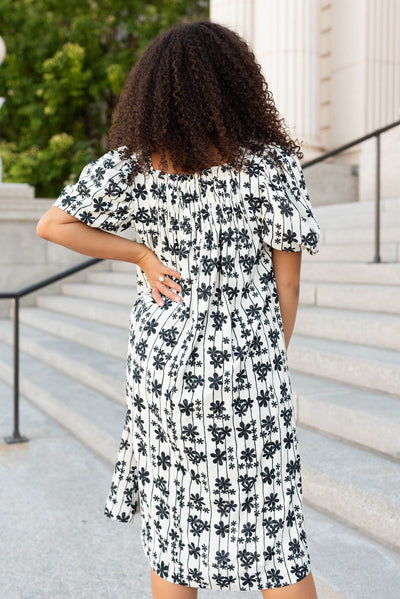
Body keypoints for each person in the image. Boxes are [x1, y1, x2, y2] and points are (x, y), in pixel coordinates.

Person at [37, 19, 320, 599]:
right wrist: (265, 359)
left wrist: (141, 254)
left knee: (175, 538)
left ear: (154, 90)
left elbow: (52, 224)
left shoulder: (139, 165)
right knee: (276, 545)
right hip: (246, 372)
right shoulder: (270, 167)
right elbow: (286, 287)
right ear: (238, 84)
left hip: (164, 373)